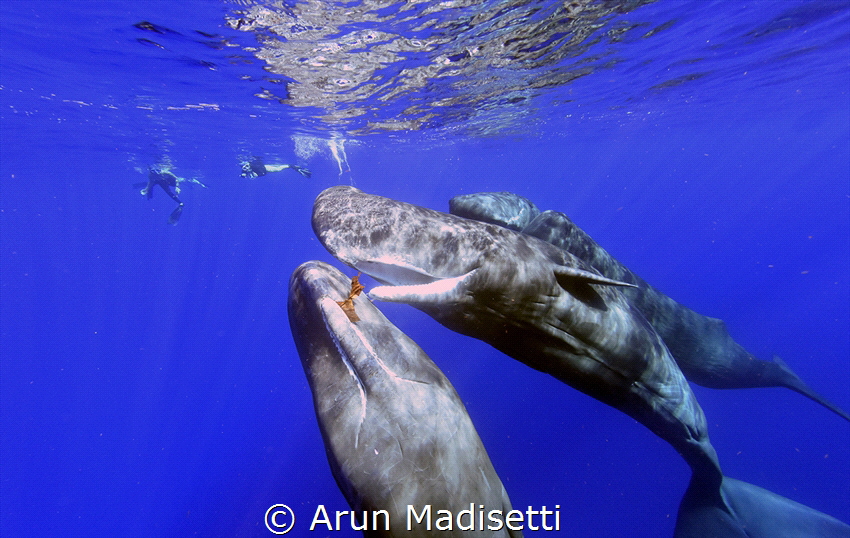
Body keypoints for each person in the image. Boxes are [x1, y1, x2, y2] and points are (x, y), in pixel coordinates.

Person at [134, 163, 207, 225]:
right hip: (162, 182)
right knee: (166, 191)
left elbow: (175, 179)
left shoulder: (165, 172)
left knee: (182, 181)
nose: (156, 174)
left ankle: (195, 182)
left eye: (157, 173)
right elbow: (150, 183)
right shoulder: (151, 175)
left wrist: (177, 187)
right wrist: (146, 189)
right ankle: (180, 203)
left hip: (171, 182)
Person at [240, 156, 311, 179]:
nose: (244, 168)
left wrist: (257, 175)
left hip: (266, 169)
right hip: (265, 167)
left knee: (278, 169)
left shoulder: (254, 166)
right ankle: (292, 166)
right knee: (278, 168)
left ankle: (292, 166)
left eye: (246, 166)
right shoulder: (250, 166)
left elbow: (263, 173)